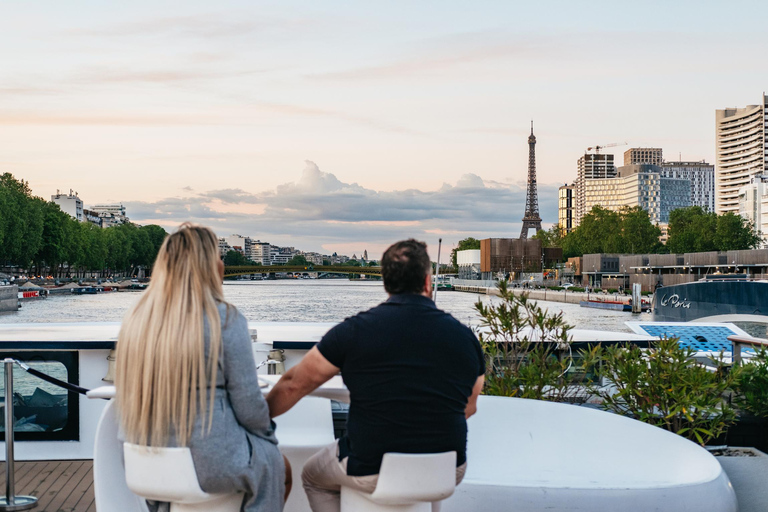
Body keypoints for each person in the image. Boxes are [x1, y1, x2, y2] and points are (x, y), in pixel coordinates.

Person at [267, 239, 485, 512]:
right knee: (424, 481)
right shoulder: (465, 337)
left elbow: (293, 385)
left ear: (385, 282)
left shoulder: (354, 331)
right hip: (447, 467)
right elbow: (470, 405)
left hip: (372, 467)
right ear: (428, 282)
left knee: (312, 476)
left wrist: (256, 419)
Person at [115, 223, 288, 512]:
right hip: (209, 462)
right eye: (218, 257)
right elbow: (248, 405)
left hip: (145, 459)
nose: (222, 264)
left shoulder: (136, 318)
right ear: (207, 266)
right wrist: (267, 435)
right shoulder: (224, 318)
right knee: (273, 463)